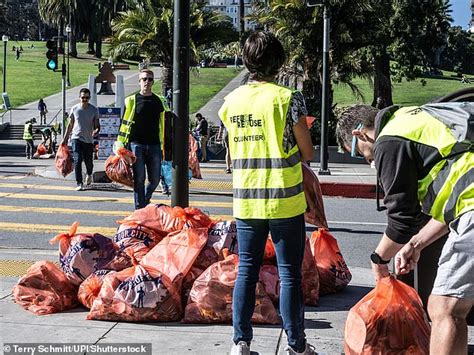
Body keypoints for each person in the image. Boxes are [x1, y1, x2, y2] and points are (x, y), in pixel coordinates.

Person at [335, 103, 473, 355]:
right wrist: (416, 244)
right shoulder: (413, 119)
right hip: (467, 205)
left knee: (445, 308)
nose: (369, 162)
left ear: (360, 134)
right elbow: (452, 205)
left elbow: (402, 219)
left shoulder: (388, 140)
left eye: (361, 154)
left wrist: (379, 260)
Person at [218, 31, 315, 355]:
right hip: (284, 199)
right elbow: (307, 152)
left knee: (247, 269)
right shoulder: (287, 98)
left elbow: (232, 151)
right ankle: (296, 346)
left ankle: (240, 343)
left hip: (246, 199)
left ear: (247, 62)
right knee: (290, 275)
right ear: (279, 62)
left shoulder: (231, 102)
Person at [114, 69, 170, 210]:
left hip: (154, 145)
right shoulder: (131, 100)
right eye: (144, 79)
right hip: (136, 145)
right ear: (139, 81)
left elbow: (167, 123)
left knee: (155, 179)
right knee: (139, 179)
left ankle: (144, 200)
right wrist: (121, 145)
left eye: (150, 79)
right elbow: (124, 124)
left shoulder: (159, 101)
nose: (147, 82)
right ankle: (139, 209)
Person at [62, 88, 100, 191]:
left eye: (87, 98)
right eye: (83, 97)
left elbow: (97, 125)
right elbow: (70, 125)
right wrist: (64, 139)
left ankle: (89, 173)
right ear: (79, 97)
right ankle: (79, 183)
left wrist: (96, 131)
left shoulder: (94, 110)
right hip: (76, 138)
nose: (85, 100)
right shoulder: (75, 109)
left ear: (89, 98)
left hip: (88, 140)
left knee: (89, 162)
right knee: (77, 160)